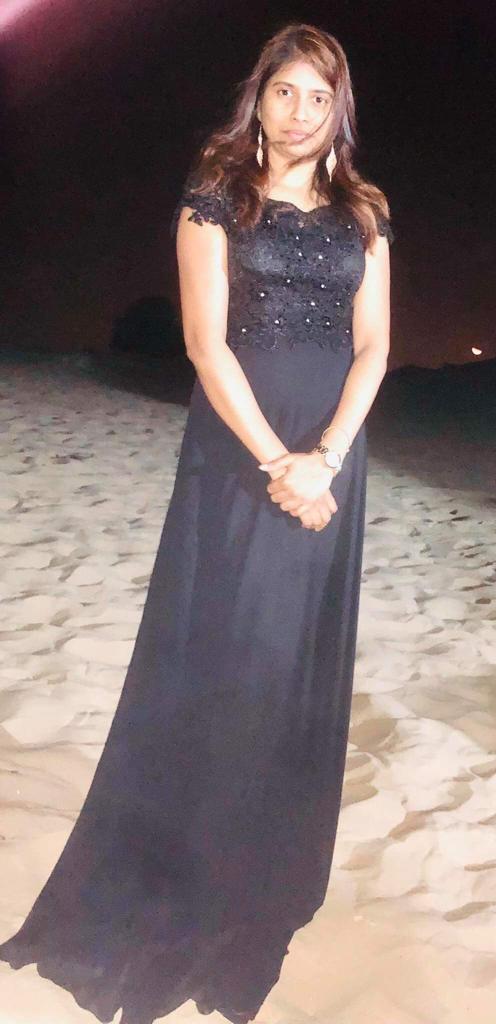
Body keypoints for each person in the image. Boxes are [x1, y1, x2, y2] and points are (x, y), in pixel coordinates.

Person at [0, 21, 393, 1024]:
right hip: (239, 454)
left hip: (330, 460)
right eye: (285, 91)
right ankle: (189, 864)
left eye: (319, 97)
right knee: (228, 651)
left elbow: (374, 347)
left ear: (338, 111)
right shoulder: (217, 195)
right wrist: (277, 462)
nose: (300, 112)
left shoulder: (364, 212)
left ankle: (263, 864)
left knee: (292, 660)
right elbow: (205, 344)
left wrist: (326, 458)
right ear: (257, 97)